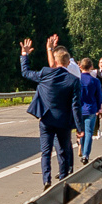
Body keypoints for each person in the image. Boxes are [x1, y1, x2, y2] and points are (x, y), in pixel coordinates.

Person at [20, 37, 85, 186]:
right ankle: (63, 180)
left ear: (55, 61)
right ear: (68, 63)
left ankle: (46, 180)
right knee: (63, 151)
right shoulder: (73, 80)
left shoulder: (45, 73)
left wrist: (25, 55)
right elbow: (76, 106)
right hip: (63, 122)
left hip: (46, 119)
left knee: (46, 152)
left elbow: (26, 72)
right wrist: (79, 128)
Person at [73, 57, 102, 160]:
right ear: (91, 67)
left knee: (81, 131)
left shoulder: (77, 80)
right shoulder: (95, 81)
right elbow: (99, 96)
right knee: (89, 132)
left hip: (79, 109)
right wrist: (99, 107)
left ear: (80, 66)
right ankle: (86, 155)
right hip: (91, 109)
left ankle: (81, 146)